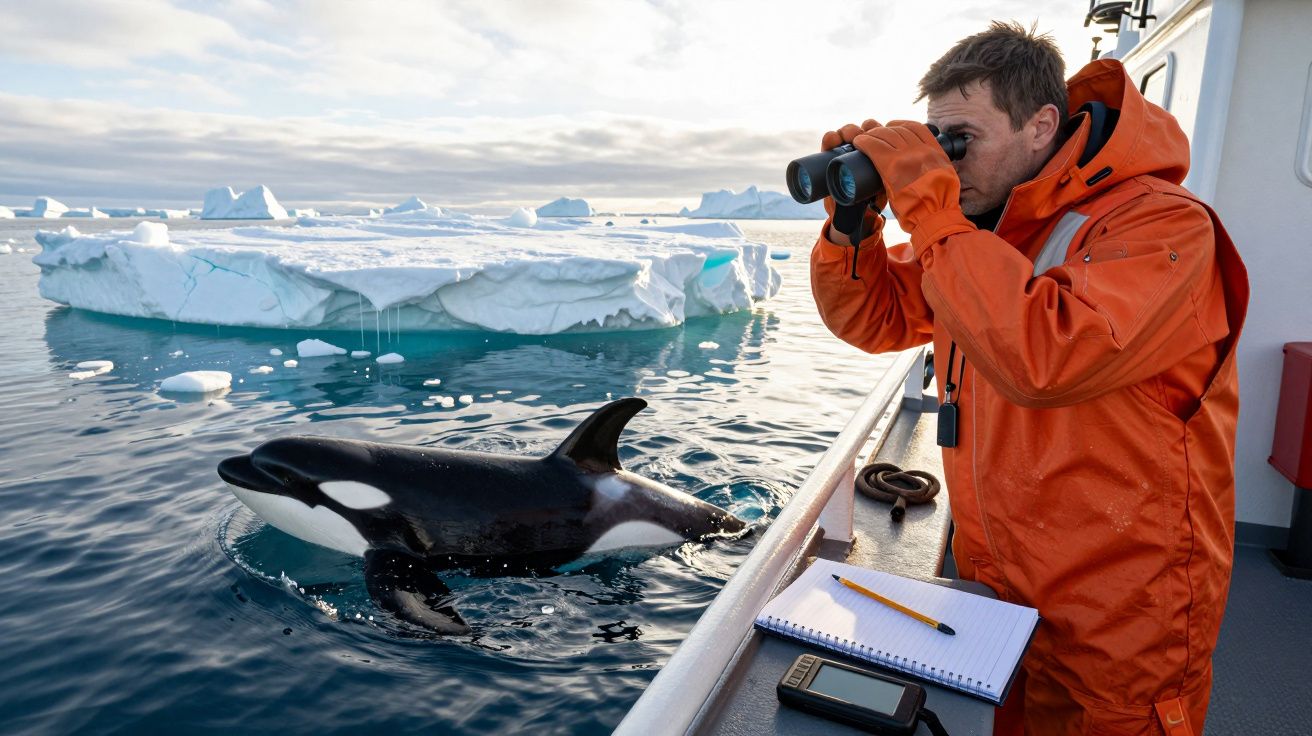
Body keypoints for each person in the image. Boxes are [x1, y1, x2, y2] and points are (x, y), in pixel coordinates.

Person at [810, 22, 1249, 736]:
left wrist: (931, 205)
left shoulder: (1165, 231)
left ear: (1042, 125)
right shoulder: (986, 235)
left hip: (1118, 615)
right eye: (936, 140)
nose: (949, 164)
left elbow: (1045, 358)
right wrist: (853, 224)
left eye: (963, 141)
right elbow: (877, 320)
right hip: (1000, 590)